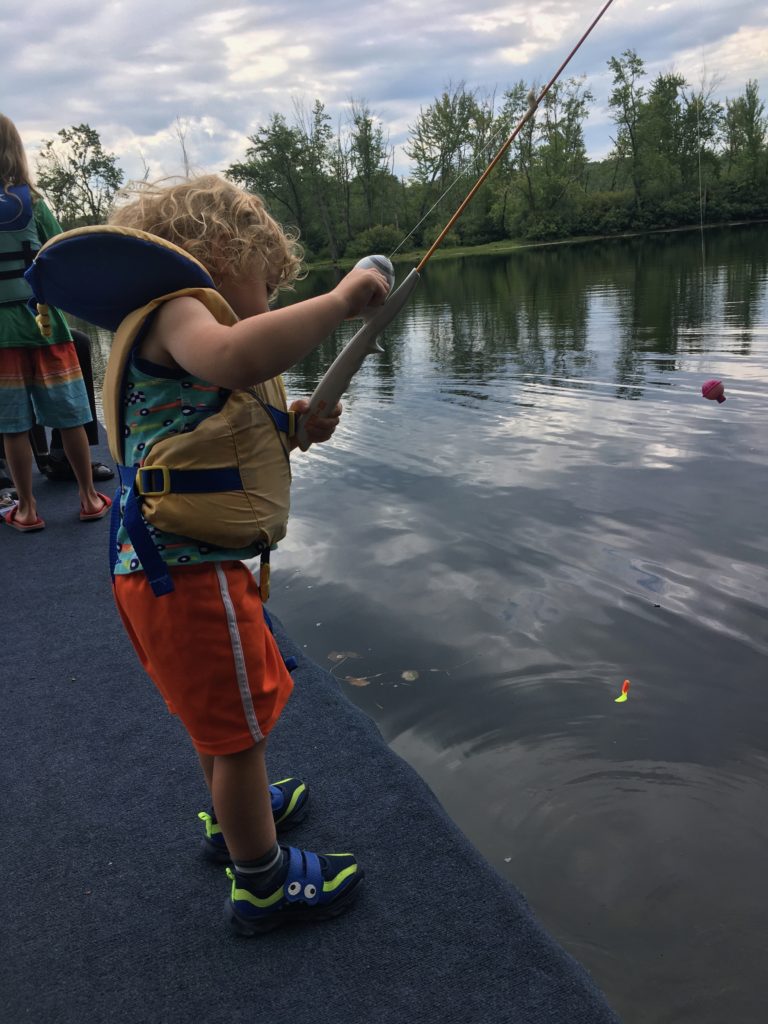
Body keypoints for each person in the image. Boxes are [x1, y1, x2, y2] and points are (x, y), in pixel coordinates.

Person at [101, 175, 390, 935]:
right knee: (237, 734)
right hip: (184, 570)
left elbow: (211, 426)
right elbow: (231, 355)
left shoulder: (173, 329)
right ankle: (259, 880)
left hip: (170, 565)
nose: (268, 305)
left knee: (219, 723)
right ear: (222, 252)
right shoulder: (180, 310)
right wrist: (338, 302)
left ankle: (241, 820)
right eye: (267, 286)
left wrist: (293, 425)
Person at [0, 112, 111, 531]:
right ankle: (87, 498)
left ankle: (26, 509)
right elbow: (61, 254)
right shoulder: (34, 202)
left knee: (13, 425)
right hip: (44, 324)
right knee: (68, 416)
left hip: (1, 334)